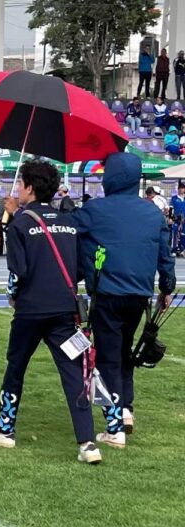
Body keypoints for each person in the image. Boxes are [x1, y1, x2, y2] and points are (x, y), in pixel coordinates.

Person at [0, 160, 103, 464]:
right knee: (74, 372)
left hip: (30, 310)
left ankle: (5, 430)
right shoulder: (69, 222)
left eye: (20, 184)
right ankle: (87, 442)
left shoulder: (20, 223)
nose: (17, 189)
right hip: (64, 308)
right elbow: (82, 268)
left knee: (16, 366)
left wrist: (12, 296)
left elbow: (17, 270)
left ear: (30, 188)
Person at [72, 152, 176, 448]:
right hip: (139, 295)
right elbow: (164, 257)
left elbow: (70, 234)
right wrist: (165, 288)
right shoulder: (153, 213)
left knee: (107, 358)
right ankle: (126, 407)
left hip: (107, 293)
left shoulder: (94, 210)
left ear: (109, 178)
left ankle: (114, 424)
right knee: (124, 352)